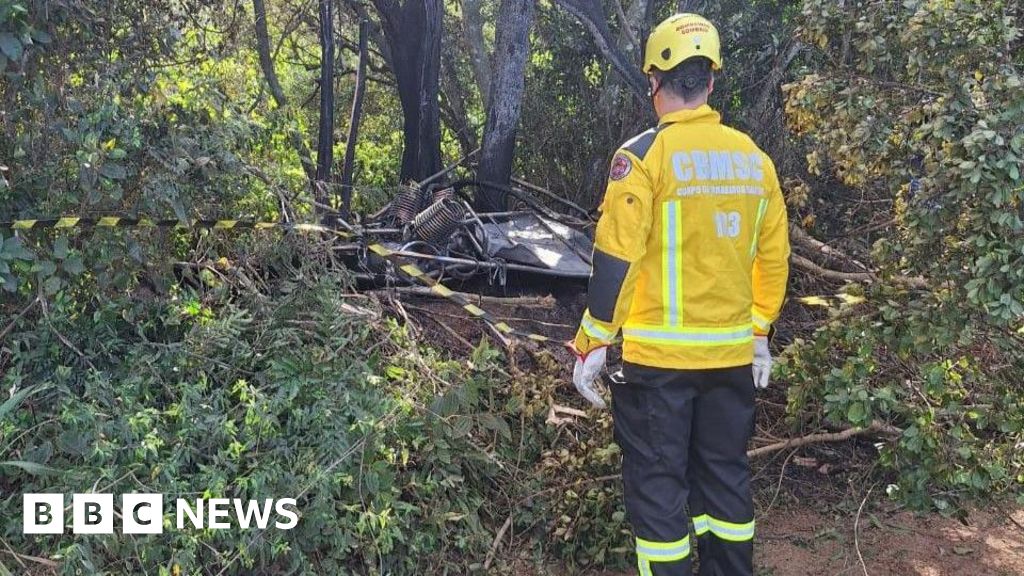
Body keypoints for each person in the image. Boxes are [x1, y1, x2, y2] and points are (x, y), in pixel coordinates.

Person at [568, 13, 790, 576]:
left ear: (653, 81)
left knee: (660, 494)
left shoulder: (643, 157)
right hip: (732, 363)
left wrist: (592, 341)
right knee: (725, 484)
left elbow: (617, 254)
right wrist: (759, 329)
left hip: (659, 369)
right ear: (712, 81)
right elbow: (774, 258)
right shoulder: (754, 160)